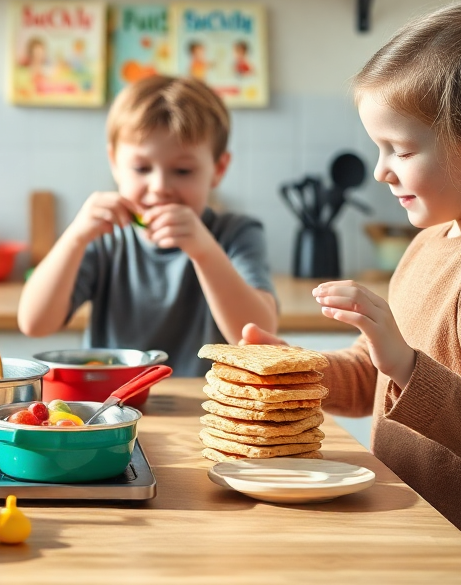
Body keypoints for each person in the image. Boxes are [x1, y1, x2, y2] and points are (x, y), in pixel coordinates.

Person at [243, 0, 461, 585]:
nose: (380, 171)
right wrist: (292, 371)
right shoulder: (435, 240)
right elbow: (379, 381)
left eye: (399, 149)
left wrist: (402, 360)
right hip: (420, 538)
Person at [18, 76, 277, 374]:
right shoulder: (105, 238)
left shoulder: (237, 234)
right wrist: (75, 237)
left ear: (218, 169)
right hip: (111, 408)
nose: (159, 187)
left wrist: (203, 250)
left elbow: (261, 340)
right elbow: (34, 323)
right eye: (142, 168)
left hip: (209, 410)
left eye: (182, 170)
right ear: (114, 162)